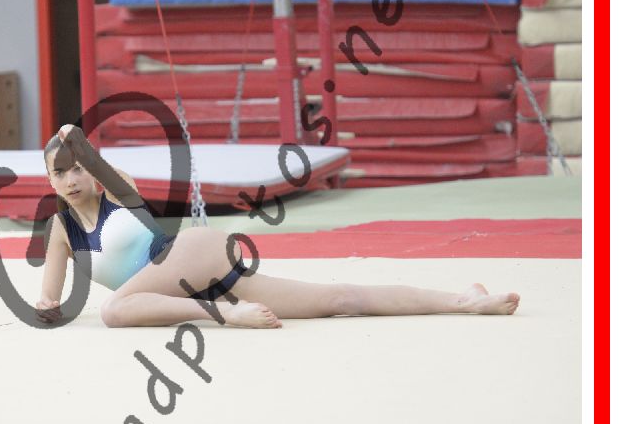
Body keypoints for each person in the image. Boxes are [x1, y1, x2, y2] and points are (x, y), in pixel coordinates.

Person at [37, 124, 520, 329]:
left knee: (114, 311)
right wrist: (47, 309)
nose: (72, 179)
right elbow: (51, 302)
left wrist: (74, 139)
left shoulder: (116, 192)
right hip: (193, 286)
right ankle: (464, 300)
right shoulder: (60, 231)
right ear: (49, 180)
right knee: (338, 301)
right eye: (61, 172)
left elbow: (97, 166)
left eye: (77, 169)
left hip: (190, 256)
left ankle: (225, 316)